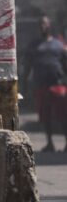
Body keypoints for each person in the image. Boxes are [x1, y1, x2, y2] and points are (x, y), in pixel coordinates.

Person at [22, 15, 67, 152]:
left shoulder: (58, 44)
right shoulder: (34, 45)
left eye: (45, 24)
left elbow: (65, 63)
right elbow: (28, 65)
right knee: (45, 116)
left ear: (49, 25)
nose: (43, 26)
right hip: (41, 85)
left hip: (57, 84)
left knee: (62, 115)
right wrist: (24, 84)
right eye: (40, 24)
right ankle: (49, 143)